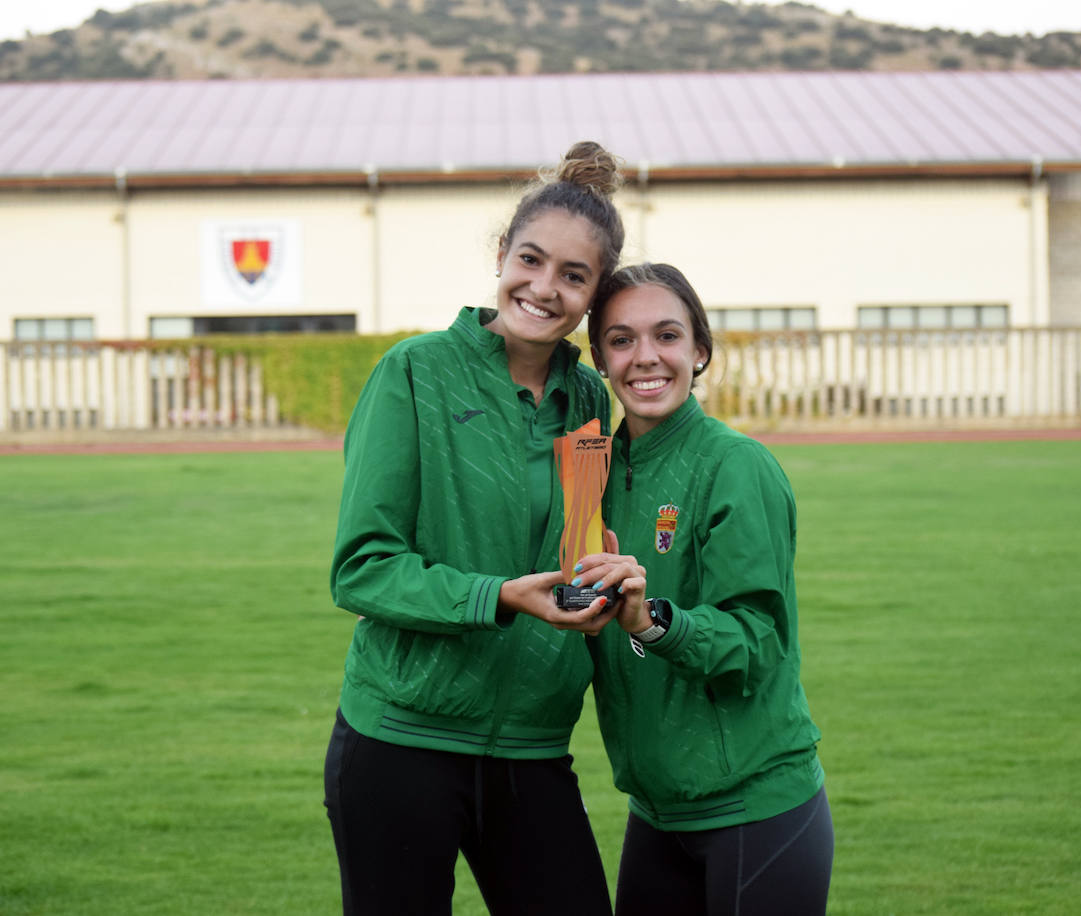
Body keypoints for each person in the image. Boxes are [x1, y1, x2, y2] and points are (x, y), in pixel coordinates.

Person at [324, 141, 627, 916]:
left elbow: (579, 543)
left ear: (594, 295)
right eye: (531, 259)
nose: (543, 287)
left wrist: (596, 579)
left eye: (573, 275)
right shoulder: (414, 373)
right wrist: (498, 597)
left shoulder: (588, 396)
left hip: (531, 744)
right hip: (401, 738)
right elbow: (362, 566)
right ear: (502, 255)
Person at [573, 263, 833, 915]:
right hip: (655, 814)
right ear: (600, 360)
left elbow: (755, 644)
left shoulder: (735, 465)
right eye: (622, 340)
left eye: (667, 335)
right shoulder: (589, 471)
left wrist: (649, 618)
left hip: (754, 808)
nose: (646, 358)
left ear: (700, 351)